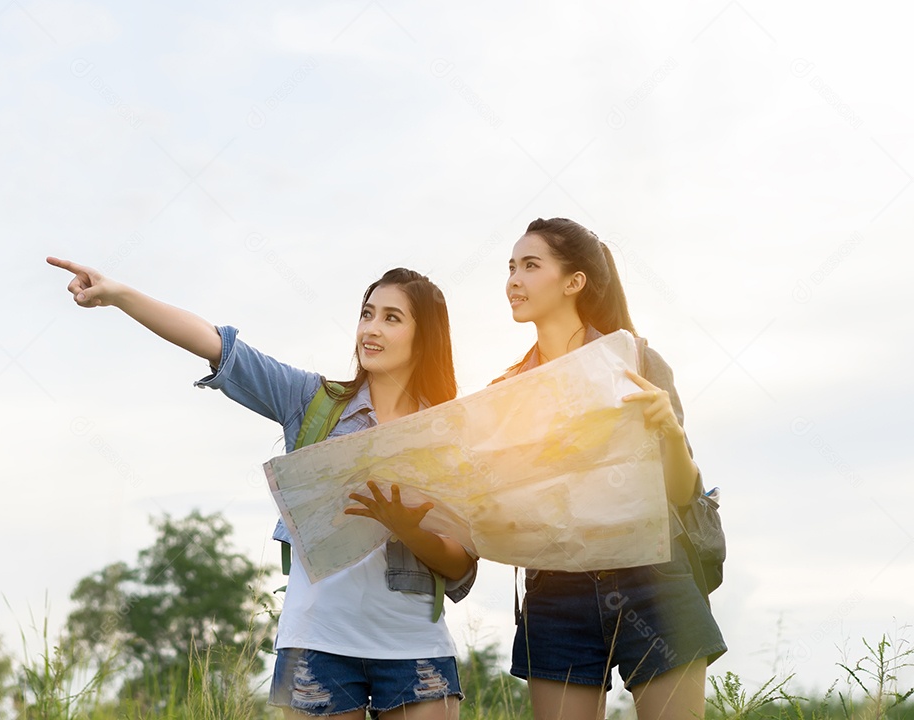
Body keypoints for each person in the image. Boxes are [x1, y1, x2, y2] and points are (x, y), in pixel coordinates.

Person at [47, 257, 477, 720]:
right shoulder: (313, 401)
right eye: (367, 313)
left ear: (424, 335)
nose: (370, 329)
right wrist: (119, 295)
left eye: (391, 318)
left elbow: (461, 560)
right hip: (316, 643)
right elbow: (219, 347)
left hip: (412, 645)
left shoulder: (447, 434)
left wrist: (407, 530)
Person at [493, 218, 726, 720]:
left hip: (653, 575)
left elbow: (684, 492)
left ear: (574, 281)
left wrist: (668, 432)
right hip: (557, 588)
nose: (514, 279)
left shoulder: (636, 360)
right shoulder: (507, 391)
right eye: (511, 267)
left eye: (530, 265)